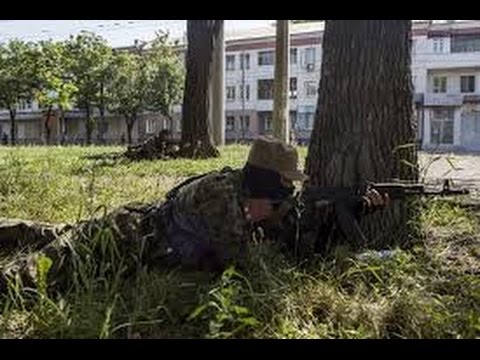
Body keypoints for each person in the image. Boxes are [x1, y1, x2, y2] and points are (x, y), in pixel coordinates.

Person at [0, 137, 388, 292]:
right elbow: (237, 263)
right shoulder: (221, 195)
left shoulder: (252, 194)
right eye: (285, 184)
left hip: (137, 230)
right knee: (29, 278)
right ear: (266, 179)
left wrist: (347, 213)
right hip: (124, 239)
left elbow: (291, 230)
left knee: (37, 232)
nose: (290, 191)